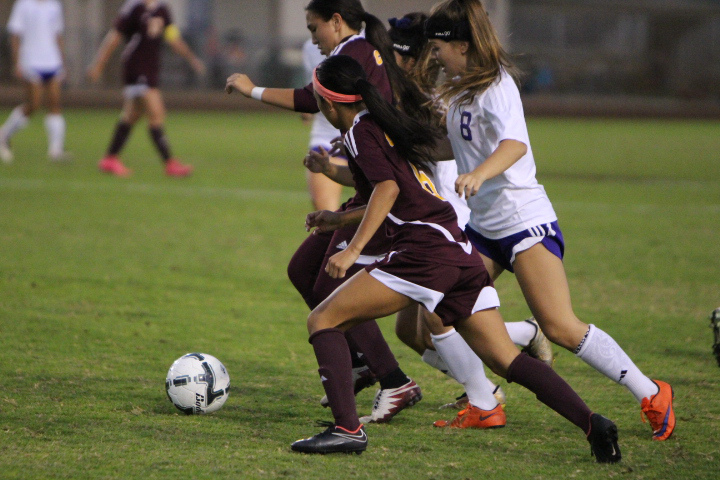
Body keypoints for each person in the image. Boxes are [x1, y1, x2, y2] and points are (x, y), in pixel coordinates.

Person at [290, 54, 621, 464]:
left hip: (422, 254)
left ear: (327, 102)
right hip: (457, 250)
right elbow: (397, 192)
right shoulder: (381, 123)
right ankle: (593, 423)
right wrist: (338, 219)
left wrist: (352, 250)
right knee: (505, 359)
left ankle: (347, 430)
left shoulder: (360, 132)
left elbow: (388, 190)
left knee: (323, 320)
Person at [425, 0, 674, 440]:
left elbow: (514, 144)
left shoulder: (496, 84)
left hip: (523, 222)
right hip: (484, 228)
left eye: (438, 46)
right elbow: (455, 148)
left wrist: (480, 174)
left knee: (560, 326)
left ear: (461, 45)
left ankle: (651, 392)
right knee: (442, 309)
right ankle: (483, 403)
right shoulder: (461, 89)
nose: (435, 55)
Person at [226, 0, 435, 424]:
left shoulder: (352, 53)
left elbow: (309, 99)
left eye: (314, 27)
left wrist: (252, 90)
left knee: (331, 289)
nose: (312, 37)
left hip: (379, 202)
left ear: (336, 21)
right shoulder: (360, 55)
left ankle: (393, 381)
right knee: (303, 269)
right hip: (367, 194)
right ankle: (360, 362)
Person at [87, 0, 205, 178]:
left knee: (132, 115)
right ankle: (170, 163)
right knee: (156, 113)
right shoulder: (134, 7)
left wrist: (192, 59)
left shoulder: (162, 9)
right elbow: (114, 37)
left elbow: (173, 39)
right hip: (136, 67)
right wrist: (99, 64)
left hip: (150, 69)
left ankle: (110, 159)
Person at [0, 0, 69, 163]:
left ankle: (56, 150)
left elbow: (57, 35)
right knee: (34, 104)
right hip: (31, 60)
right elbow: (15, 35)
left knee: (55, 103)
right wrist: (17, 62)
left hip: (52, 60)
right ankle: (4, 135)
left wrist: (62, 61)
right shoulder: (23, 4)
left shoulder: (54, 5)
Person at [301, 38, 347, 211]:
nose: (314, 37)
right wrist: (306, 110)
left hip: (367, 139)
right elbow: (310, 87)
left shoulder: (367, 43)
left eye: (315, 28)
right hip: (327, 138)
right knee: (326, 216)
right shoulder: (310, 47)